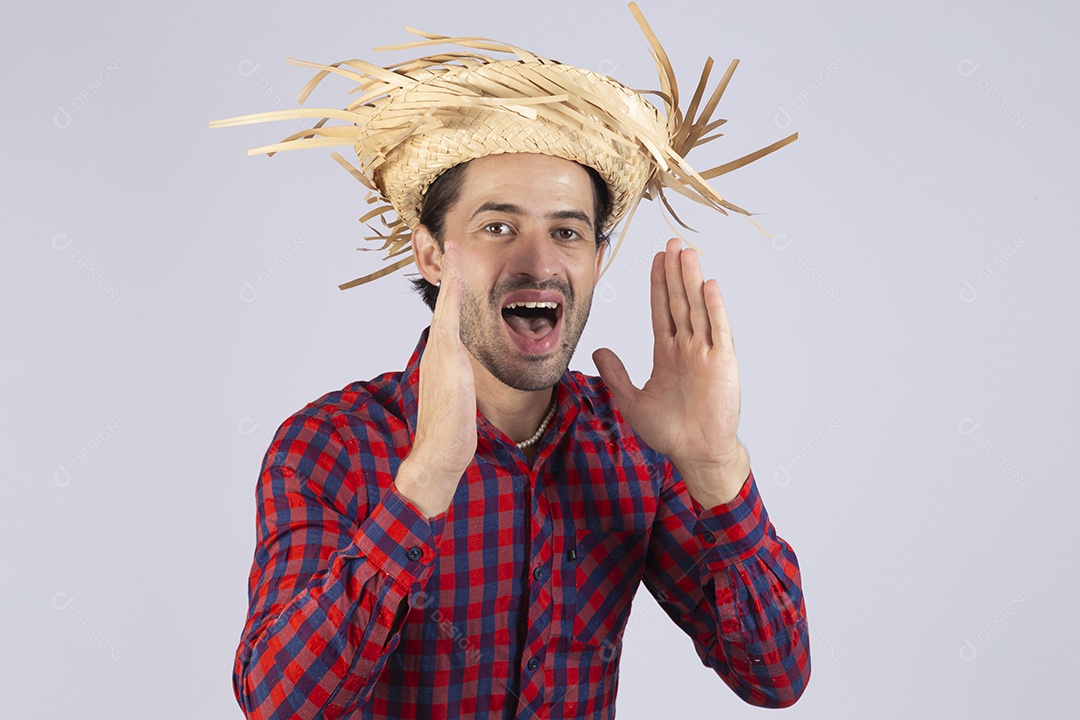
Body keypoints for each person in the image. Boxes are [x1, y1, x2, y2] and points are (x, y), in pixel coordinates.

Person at [213, 5, 809, 718]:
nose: (539, 263)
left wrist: (714, 467)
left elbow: (774, 677)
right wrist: (422, 486)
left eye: (568, 232)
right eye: (498, 226)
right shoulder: (330, 446)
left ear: (594, 260)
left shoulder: (630, 446)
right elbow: (277, 705)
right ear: (431, 253)